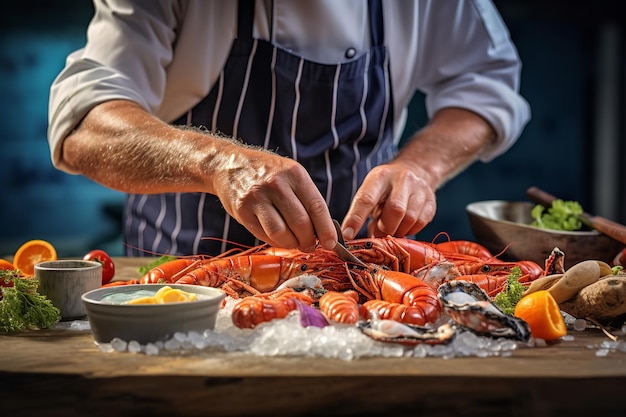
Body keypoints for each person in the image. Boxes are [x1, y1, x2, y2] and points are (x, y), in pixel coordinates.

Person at [48, 0, 530, 257]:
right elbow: (82, 125)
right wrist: (217, 162)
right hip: (184, 263)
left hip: (357, 270)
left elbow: (487, 83)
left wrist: (420, 167)